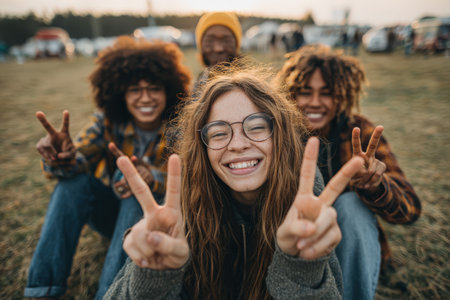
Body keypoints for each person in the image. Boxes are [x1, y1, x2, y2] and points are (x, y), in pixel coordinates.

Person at [104, 65, 366, 299]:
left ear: (281, 136)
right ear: (202, 149)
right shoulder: (185, 202)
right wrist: (152, 280)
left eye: (257, 127)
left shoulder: (305, 198)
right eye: (218, 133)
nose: (238, 144)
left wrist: (300, 269)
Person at [24, 36, 192, 299]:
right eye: (135, 89)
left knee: (135, 186)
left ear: (169, 90)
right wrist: (63, 158)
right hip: (109, 213)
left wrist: (152, 178)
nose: (145, 97)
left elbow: (193, 179)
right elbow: (78, 163)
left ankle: (109, 294)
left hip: (156, 221)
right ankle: (41, 291)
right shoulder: (106, 122)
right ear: (120, 93)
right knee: (73, 182)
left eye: (154, 88)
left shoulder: (179, 126)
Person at [276, 44, 421, 299]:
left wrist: (376, 185)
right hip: (296, 244)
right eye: (305, 92)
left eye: (327, 93)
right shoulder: (278, 133)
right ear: (290, 93)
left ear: (342, 95)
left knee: (352, 204)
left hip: (347, 248)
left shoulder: (359, 131)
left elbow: (410, 209)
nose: (315, 102)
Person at [193, 11, 242, 91]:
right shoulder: (197, 84)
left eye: (227, 41)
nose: (218, 48)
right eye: (209, 41)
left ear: (236, 45)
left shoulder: (250, 90)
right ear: (201, 46)